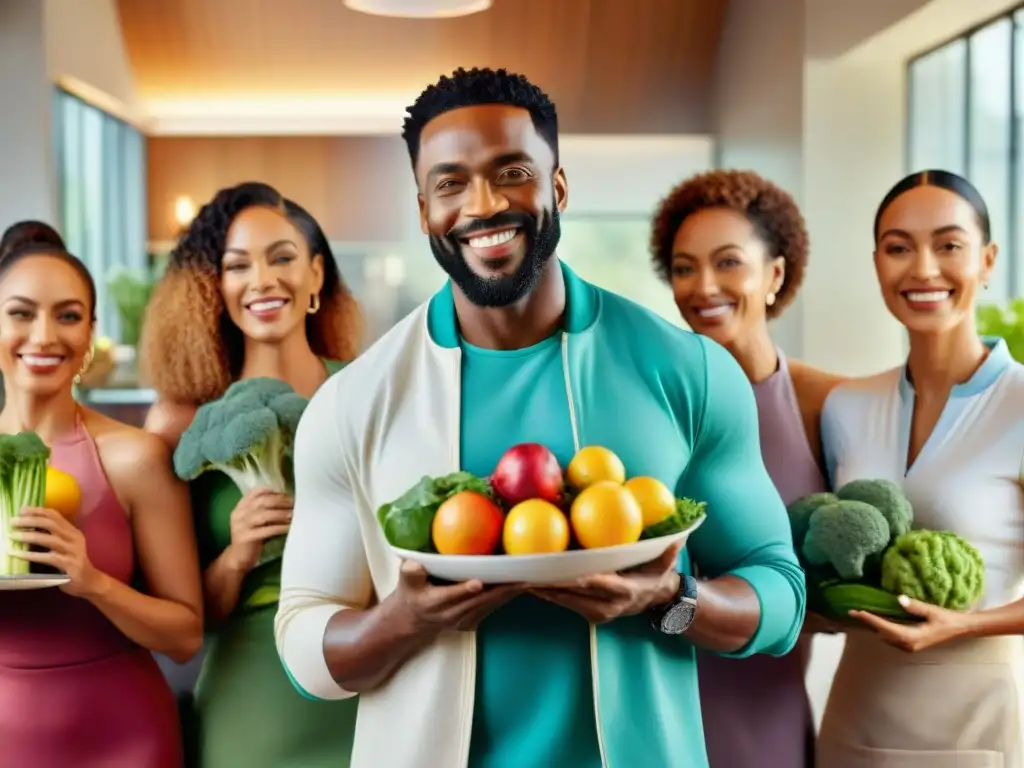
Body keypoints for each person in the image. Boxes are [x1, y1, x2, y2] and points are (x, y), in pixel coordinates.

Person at [274, 67, 806, 768]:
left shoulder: (689, 369)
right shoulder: (352, 404)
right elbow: (305, 648)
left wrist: (668, 600)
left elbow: (779, 596)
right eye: (450, 183)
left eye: (512, 171)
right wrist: (401, 621)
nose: (483, 205)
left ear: (557, 185)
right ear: (424, 206)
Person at [140, 182, 362, 767]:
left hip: (365, 676)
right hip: (250, 694)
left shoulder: (367, 393)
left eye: (282, 257)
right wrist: (238, 552)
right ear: (218, 290)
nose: (262, 280)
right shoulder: (179, 422)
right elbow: (185, 622)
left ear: (316, 276)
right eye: (238, 266)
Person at [816, 170, 1024, 766]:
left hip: (972, 722)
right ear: (877, 262)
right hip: (856, 712)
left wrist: (960, 625)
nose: (924, 269)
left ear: (987, 261)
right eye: (899, 247)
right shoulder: (846, 406)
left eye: (949, 245)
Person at [650, 169, 843, 768]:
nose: (703, 286)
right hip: (656, 709)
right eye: (684, 268)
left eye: (728, 262)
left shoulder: (825, 403)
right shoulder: (648, 408)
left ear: (775, 275)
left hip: (765, 715)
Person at [0, 221, 202, 767]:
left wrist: (92, 582)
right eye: (21, 313)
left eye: (67, 316)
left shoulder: (135, 458)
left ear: (90, 333)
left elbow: (185, 635)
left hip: (124, 735)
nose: (44, 336)